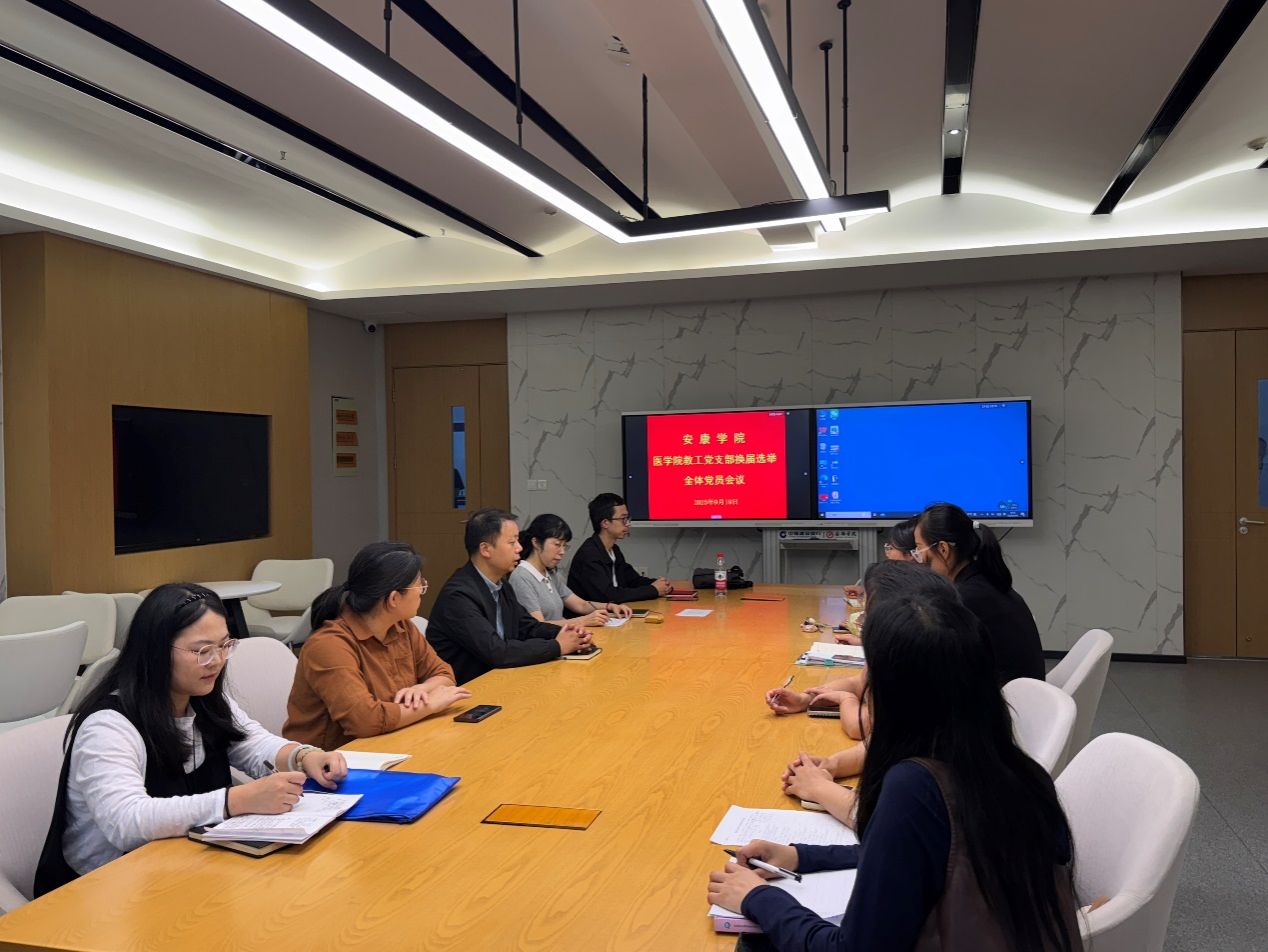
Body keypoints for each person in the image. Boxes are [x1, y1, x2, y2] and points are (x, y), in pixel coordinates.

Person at [708, 582, 1080, 952]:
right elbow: (915, 853)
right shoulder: (1014, 770)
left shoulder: (916, 787)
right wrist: (801, 856)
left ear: (891, 696)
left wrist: (757, 897)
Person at [35, 584, 348, 894]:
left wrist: (303, 756)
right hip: (103, 890)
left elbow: (251, 742)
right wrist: (235, 801)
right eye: (202, 651)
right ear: (157, 651)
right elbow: (127, 823)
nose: (217, 660)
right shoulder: (109, 725)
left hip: (181, 868)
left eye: (224, 646)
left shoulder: (202, 697)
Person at [285, 542, 470, 749]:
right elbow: (365, 721)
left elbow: (444, 674)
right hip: (334, 758)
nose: (422, 591)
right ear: (394, 599)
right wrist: (429, 705)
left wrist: (422, 689)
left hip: (394, 741)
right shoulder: (329, 645)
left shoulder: (401, 626)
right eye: (419, 585)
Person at [428, 508, 592, 684]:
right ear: (485, 549)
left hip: (502, 679)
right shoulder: (458, 596)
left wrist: (568, 633)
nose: (519, 548)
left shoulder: (501, 585)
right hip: (470, 688)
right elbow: (497, 652)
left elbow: (527, 627)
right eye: (512, 542)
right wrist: (557, 646)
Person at [913, 502, 1045, 684]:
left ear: (943, 549)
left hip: (1005, 699)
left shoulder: (965, 599)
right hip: (1026, 693)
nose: (917, 559)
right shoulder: (986, 582)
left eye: (919, 549)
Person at [509, 513, 633, 627]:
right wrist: (583, 621)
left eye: (564, 546)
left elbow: (581, 605)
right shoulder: (521, 577)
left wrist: (610, 607)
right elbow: (538, 626)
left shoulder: (549, 573)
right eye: (557, 545)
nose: (562, 552)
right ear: (536, 542)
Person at [566, 493, 671, 604]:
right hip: (593, 614)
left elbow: (633, 580)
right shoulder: (589, 555)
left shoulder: (614, 550)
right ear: (605, 523)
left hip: (615, 611)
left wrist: (659, 584)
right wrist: (653, 590)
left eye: (628, 518)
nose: (628, 524)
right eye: (623, 519)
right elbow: (608, 596)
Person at [842, 518, 916, 598]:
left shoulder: (916, 582)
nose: (887, 552)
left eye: (891, 548)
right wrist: (865, 593)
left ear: (910, 554)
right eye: (887, 547)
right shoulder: (901, 575)